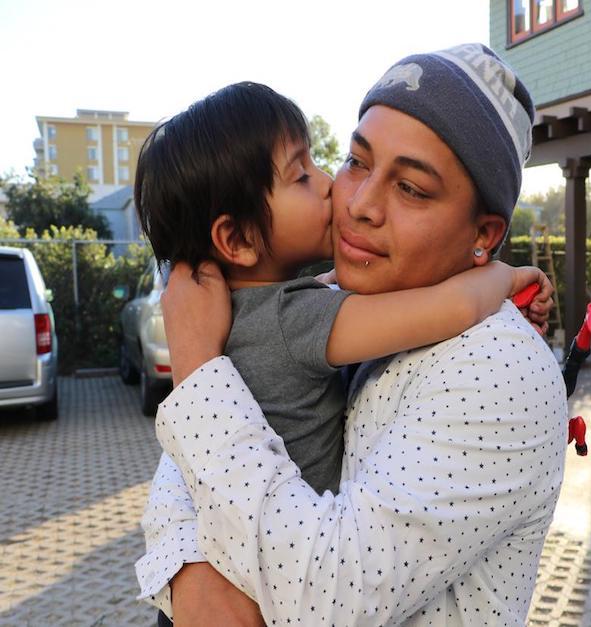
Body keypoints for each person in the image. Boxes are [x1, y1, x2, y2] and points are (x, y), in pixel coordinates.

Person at [137, 43, 568, 626]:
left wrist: (195, 362)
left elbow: (326, 597)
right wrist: (188, 570)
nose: (358, 204)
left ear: (485, 232)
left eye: (411, 188)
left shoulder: (500, 370)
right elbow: (187, 456)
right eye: (355, 162)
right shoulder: (336, 296)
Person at [133, 81, 550, 497]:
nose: (329, 184)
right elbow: (456, 307)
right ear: (239, 240)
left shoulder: (244, 317)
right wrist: (507, 277)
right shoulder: (294, 319)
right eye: (301, 176)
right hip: (283, 546)